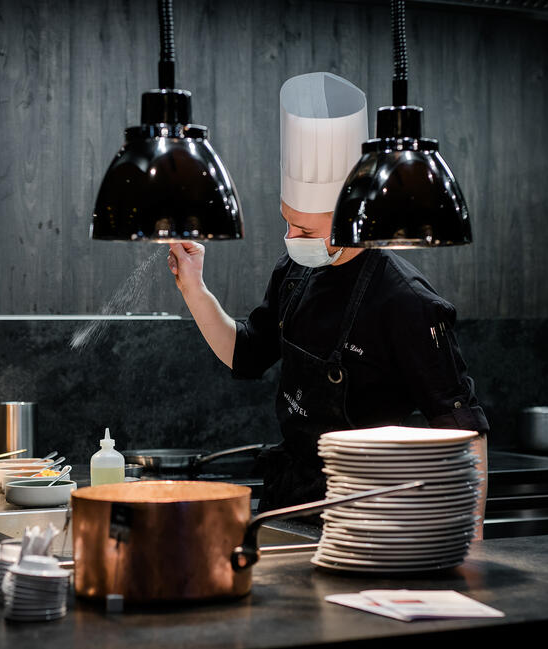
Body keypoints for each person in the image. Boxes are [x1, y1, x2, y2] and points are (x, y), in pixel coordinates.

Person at [167, 72, 489, 522]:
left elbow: (463, 430)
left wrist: (467, 545)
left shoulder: (406, 301)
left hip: (365, 511)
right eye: (287, 221)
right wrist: (194, 289)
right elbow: (244, 354)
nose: (289, 238)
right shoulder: (297, 271)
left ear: (350, 217)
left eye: (304, 230)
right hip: (291, 500)